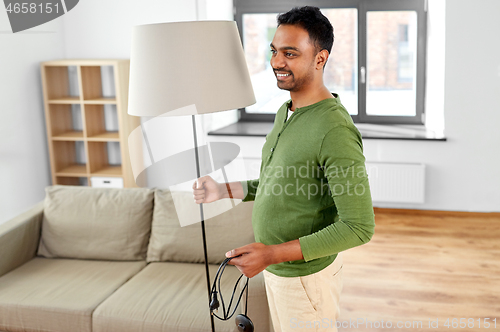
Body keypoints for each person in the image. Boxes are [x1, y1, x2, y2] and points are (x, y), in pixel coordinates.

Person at [192, 6, 375, 332]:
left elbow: (359, 227)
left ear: (320, 58)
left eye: (290, 53)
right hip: (279, 272)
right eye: (274, 51)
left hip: (306, 280)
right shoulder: (285, 111)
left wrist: (271, 254)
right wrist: (222, 190)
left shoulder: (334, 129)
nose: (277, 62)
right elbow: (277, 182)